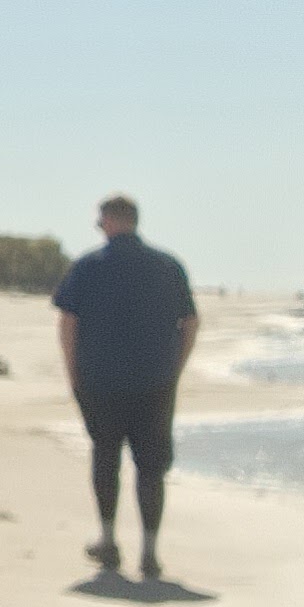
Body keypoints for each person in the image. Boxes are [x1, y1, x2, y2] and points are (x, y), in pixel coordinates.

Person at [50, 194, 199, 580]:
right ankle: (149, 550)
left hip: (100, 380)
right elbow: (190, 322)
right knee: (151, 466)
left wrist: (73, 373)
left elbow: (68, 323)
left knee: (106, 456)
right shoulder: (167, 265)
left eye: (100, 221)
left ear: (110, 221)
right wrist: (175, 369)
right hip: (155, 380)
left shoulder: (88, 266)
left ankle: (108, 539)